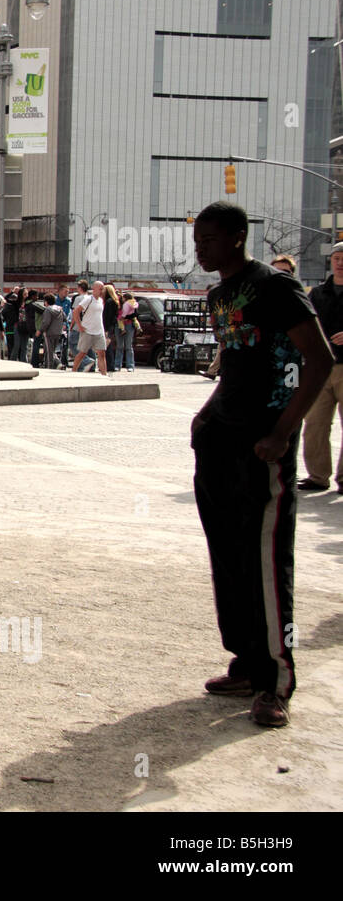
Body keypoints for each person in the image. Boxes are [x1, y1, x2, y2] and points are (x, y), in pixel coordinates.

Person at [190, 202, 331, 728]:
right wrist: (204, 419)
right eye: (197, 239)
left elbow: (319, 360)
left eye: (208, 239)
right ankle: (247, 661)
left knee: (267, 561)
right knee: (227, 554)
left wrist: (282, 431)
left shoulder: (276, 287)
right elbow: (235, 366)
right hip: (220, 444)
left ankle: (276, 679)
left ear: (238, 237)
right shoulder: (219, 293)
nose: (199, 248)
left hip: (262, 447)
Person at [299, 243, 343, 493]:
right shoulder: (317, 293)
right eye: (336, 258)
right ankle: (317, 475)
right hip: (320, 368)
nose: (340, 263)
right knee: (315, 423)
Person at [69, 281, 109, 375]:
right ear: (94, 289)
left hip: (99, 330)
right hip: (87, 330)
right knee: (82, 353)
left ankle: (104, 374)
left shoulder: (100, 300)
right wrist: (79, 325)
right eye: (100, 289)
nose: (102, 291)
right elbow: (76, 311)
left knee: (102, 353)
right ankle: (74, 370)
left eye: (103, 289)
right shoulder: (88, 299)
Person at [37, 293, 65, 369]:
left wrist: (40, 330)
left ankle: (49, 367)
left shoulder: (48, 310)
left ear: (46, 301)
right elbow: (64, 318)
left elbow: (46, 322)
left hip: (49, 333)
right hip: (58, 332)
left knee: (49, 352)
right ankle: (58, 364)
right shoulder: (59, 309)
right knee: (52, 351)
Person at [115, 291, 139, 372]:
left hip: (128, 324)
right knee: (119, 346)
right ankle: (117, 365)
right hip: (119, 325)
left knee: (128, 346)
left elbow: (135, 314)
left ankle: (130, 365)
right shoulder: (117, 304)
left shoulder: (130, 304)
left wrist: (125, 317)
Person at [102, 283, 120, 372]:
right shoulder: (114, 301)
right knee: (109, 346)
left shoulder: (109, 302)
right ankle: (110, 364)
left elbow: (107, 316)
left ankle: (110, 365)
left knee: (107, 346)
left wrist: (105, 328)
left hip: (107, 326)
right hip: (112, 326)